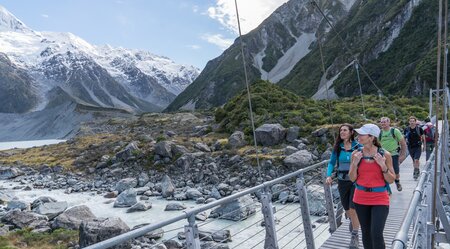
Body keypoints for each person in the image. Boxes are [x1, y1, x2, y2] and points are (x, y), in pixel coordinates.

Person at [349, 124, 395, 249]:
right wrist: (354, 164)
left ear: (371, 137)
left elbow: (391, 179)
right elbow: (352, 178)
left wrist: (383, 166)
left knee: (376, 233)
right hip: (360, 198)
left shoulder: (385, 155)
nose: (359, 137)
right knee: (366, 233)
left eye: (362, 134)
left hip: (380, 198)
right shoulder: (355, 154)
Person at [326, 124, 361, 249]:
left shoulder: (358, 147)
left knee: (353, 209)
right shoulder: (338, 148)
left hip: (355, 181)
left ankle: (355, 236)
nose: (342, 132)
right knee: (347, 209)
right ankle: (354, 223)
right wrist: (328, 175)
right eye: (341, 130)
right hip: (342, 181)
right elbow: (331, 163)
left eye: (345, 130)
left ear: (351, 132)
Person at [378, 117, 407, 191]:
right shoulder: (380, 132)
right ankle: (387, 188)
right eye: (381, 122)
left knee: (396, 171)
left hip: (393, 154)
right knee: (383, 171)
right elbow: (377, 143)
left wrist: (403, 154)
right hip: (383, 155)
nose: (383, 123)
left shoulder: (395, 131)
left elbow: (402, 142)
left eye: (384, 122)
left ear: (389, 123)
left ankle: (397, 182)